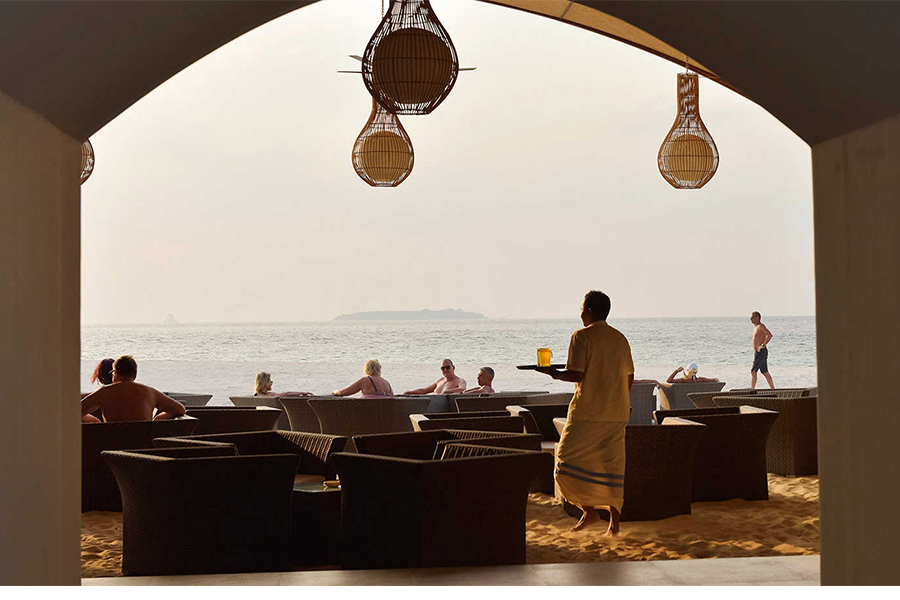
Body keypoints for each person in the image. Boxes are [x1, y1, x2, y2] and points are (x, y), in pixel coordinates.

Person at [536, 290, 634, 536]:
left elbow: (576, 373)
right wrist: (617, 397)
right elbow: (629, 377)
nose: (580, 314)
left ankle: (589, 510)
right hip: (617, 411)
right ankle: (613, 525)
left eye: (582, 309)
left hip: (588, 412)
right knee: (612, 466)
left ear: (589, 311)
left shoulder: (581, 336)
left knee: (563, 463)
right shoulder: (620, 338)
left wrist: (553, 374)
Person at [80, 355, 186, 423]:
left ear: (115, 374)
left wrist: (96, 422)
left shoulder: (104, 392)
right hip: (144, 446)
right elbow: (180, 409)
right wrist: (156, 420)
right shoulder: (150, 392)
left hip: (113, 445)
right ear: (134, 375)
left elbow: (75, 412)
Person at [750, 311, 775, 388]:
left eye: (752, 317)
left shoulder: (761, 326)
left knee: (753, 371)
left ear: (757, 318)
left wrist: (763, 345)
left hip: (761, 352)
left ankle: (752, 389)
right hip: (759, 352)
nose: (751, 319)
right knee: (764, 372)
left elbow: (769, 335)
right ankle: (773, 389)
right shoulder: (756, 327)